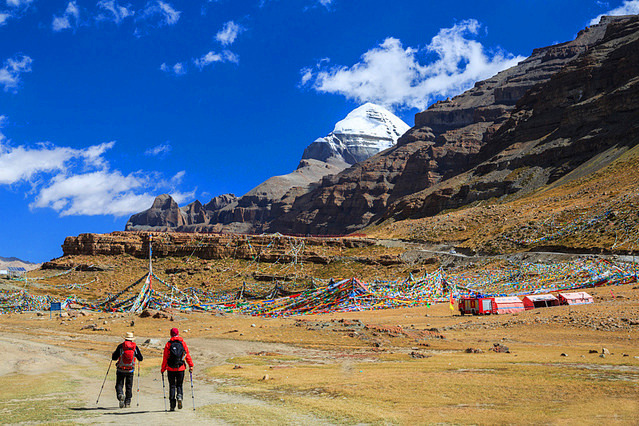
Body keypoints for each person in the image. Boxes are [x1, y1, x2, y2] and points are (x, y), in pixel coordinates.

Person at [161, 327, 194, 411]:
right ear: (178, 333)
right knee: (179, 385)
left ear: (171, 334)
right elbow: (187, 355)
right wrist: (191, 365)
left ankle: (172, 405)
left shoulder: (168, 344)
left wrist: (163, 368)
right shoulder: (182, 343)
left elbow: (165, 357)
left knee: (172, 386)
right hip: (181, 368)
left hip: (170, 369)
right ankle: (179, 396)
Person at [111, 331, 143, 408]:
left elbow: (114, 358)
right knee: (129, 386)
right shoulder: (135, 347)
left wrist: (113, 354)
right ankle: (127, 402)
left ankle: (120, 395)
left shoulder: (121, 346)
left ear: (125, 338)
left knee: (119, 384)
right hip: (130, 370)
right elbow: (140, 358)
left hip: (120, 369)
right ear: (132, 339)